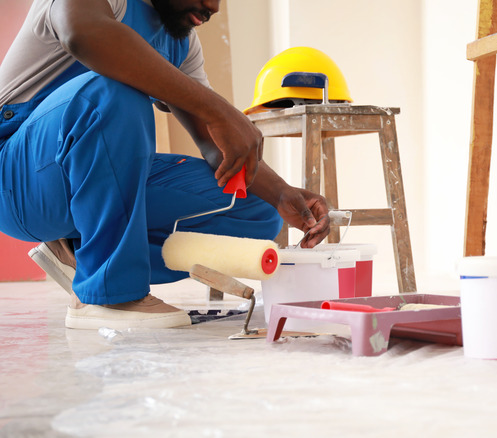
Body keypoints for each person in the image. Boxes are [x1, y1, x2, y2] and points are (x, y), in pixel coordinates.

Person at [0, 0, 331, 329]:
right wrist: (219, 110)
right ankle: (108, 295)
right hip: (17, 178)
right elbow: (83, 34)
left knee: (258, 211)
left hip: (90, 180)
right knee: (116, 91)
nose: (212, 6)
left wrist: (282, 194)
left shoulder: (182, 44)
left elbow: (217, 146)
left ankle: (79, 251)